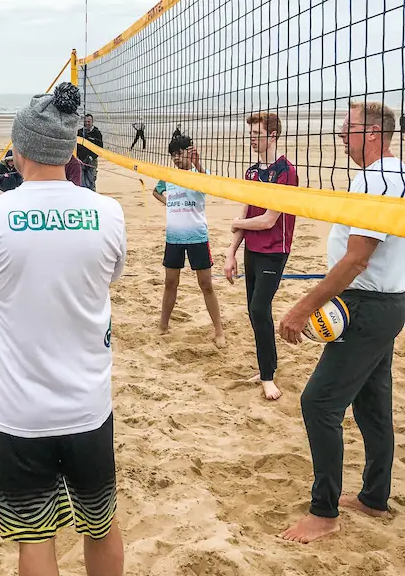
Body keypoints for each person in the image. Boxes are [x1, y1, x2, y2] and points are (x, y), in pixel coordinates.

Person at [0, 82, 141, 576]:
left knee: (35, 539)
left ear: (16, 151)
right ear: (73, 151)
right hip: (88, 405)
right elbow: (105, 279)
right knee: (101, 524)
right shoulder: (109, 212)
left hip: (19, 412)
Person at [278, 101, 405, 544]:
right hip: (382, 302)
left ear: (372, 132)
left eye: (346, 129)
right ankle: (374, 496)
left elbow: (356, 259)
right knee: (372, 402)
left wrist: (301, 308)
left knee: (319, 404)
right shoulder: (389, 174)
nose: (339, 136)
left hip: (368, 305)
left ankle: (324, 512)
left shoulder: (382, 178)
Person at [224, 112, 297, 401]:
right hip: (252, 251)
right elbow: (245, 213)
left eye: (258, 134)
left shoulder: (285, 172)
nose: (252, 138)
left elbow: (267, 220)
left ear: (273, 135)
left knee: (259, 310)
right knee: (255, 312)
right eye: (250, 134)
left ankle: (268, 376)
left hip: (274, 252)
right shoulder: (252, 172)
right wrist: (231, 252)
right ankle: (267, 366)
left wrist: (238, 224)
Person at [153, 135, 225, 347]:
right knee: (170, 283)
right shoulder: (168, 176)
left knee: (205, 284)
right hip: (173, 238)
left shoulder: (199, 174)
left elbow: (210, 186)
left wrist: (198, 164)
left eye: (179, 153)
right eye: (173, 154)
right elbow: (156, 191)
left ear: (189, 151)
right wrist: (167, 202)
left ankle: (219, 330)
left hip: (197, 237)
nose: (176, 158)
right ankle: (163, 326)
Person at [78, 113, 103, 191]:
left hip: (92, 161)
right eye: (86, 121)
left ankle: (92, 198)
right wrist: (77, 158)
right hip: (81, 161)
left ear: (92, 122)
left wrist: (92, 156)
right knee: (81, 183)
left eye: (89, 121)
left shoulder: (97, 133)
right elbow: (76, 146)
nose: (87, 123)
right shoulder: (80, 132)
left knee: (91, 182)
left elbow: (100, 148)